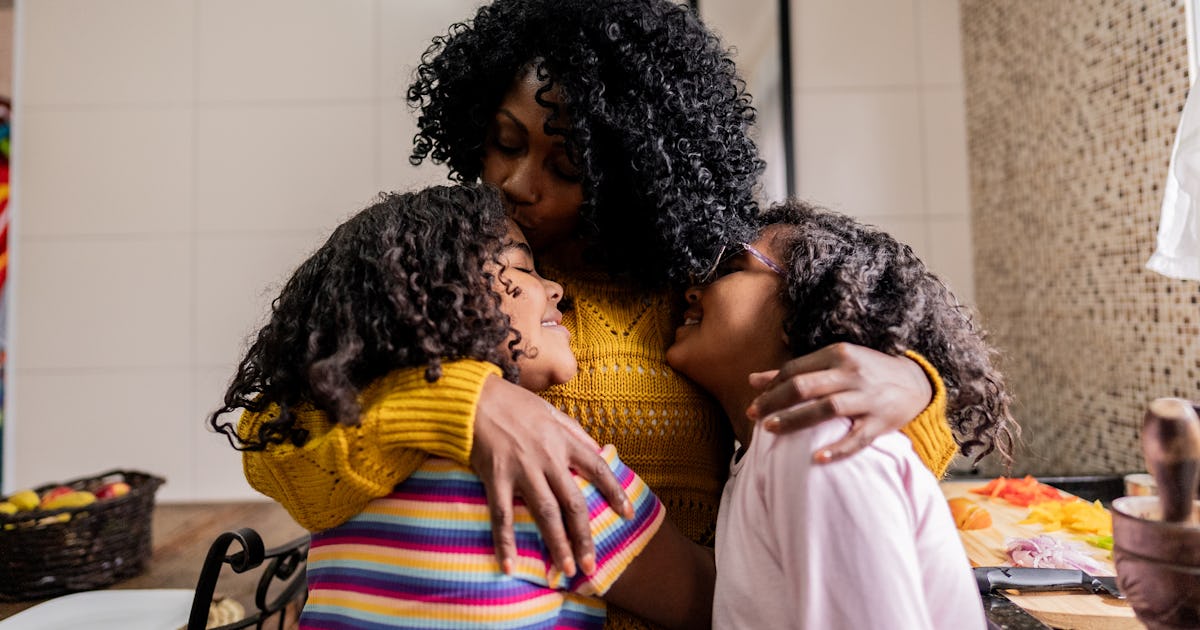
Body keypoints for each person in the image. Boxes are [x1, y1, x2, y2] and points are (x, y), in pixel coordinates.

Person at [237, 0, 960, 626]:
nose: (518, 184)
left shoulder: (694, 304)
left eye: (569, 168)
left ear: (640, 172)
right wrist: (463, 402)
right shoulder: (448, 287)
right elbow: (278, 456)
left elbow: (854, 483)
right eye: (506, 143)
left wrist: (913, 388)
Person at [211, 184, 714, 629]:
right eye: (522, 267)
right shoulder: (558, 468)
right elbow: (712, 601)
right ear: (429, 300)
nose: (555, 288)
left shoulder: (352, 466)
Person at [666, 199, 1015, 629]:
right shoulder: (768, 450)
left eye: (734, 267)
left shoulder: (820, 444)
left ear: (803, 306)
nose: (693, 290)